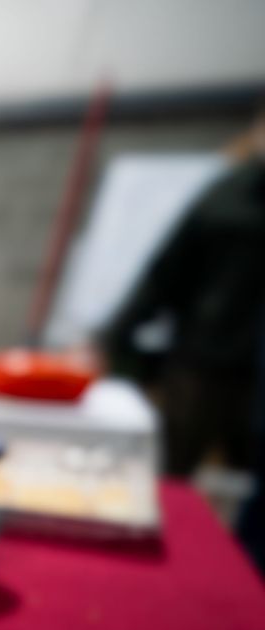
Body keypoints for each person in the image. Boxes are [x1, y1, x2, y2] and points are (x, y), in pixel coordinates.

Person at [101, 115, 263, 479]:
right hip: (203, 361)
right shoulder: (226, 198)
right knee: (172, 470)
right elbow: (165, 273)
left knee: (249, 479)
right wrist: (113, 338)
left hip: (252, 370)